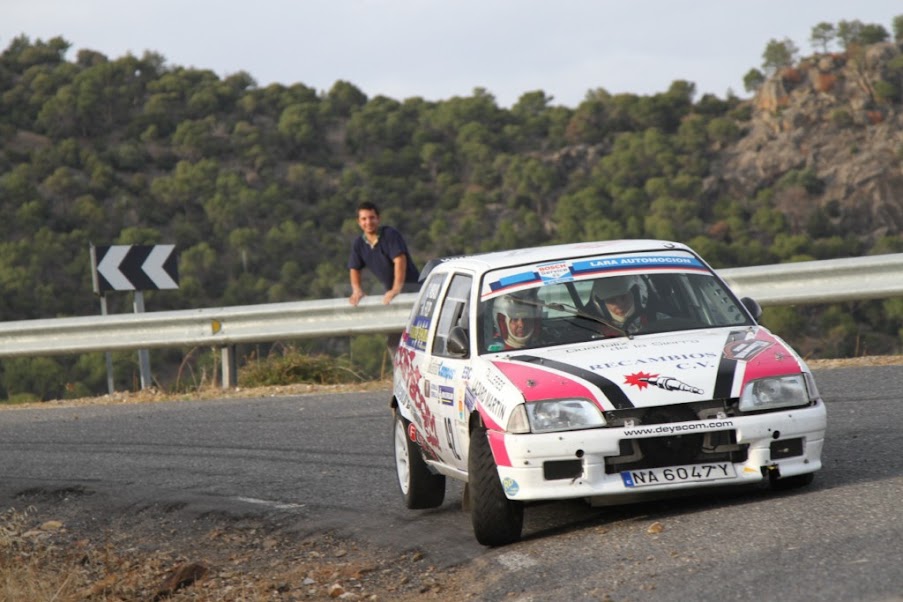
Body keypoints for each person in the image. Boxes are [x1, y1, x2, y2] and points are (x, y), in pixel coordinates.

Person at [348, 201, 420, 306]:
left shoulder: (390, 235)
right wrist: (357, 291)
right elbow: (354, 268)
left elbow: (400, 261)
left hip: (414, 291)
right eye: (364, 219)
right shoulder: (359, 244)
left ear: (378, 218)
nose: (368, 222)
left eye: (372, 217)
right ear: (358, 222)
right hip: (392, 295)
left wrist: (396, 289)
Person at [590, 275, 665, 335]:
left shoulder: (659, 320)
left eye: (623, 297)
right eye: (611, 300)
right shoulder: (596, 333)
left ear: (638, 295)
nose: (619, 305)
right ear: (601, 305)